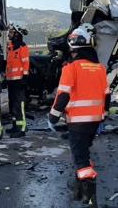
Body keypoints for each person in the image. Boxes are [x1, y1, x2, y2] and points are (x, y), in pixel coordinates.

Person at [48, 23, 111, 207]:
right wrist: (103, 115)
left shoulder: (71, 68)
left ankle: (90, 197)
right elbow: (106, 95)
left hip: (77, 122)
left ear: (73, 46)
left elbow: (63, 95)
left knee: (80, 158)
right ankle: (78, 190)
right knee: (83, 152)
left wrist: (53, 117)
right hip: (94, 122)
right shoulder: (99, 68)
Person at [6, 23, 30, 138]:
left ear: (16, 34)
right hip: (11, 81)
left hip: (19, 81)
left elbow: (26, 63)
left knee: (19, 105)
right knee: (13, 105)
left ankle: (22, 128)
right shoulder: (10, 47)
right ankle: (15, 125)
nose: (9, 34)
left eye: (11, 32)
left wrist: (24, 78)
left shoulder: (22, 47)